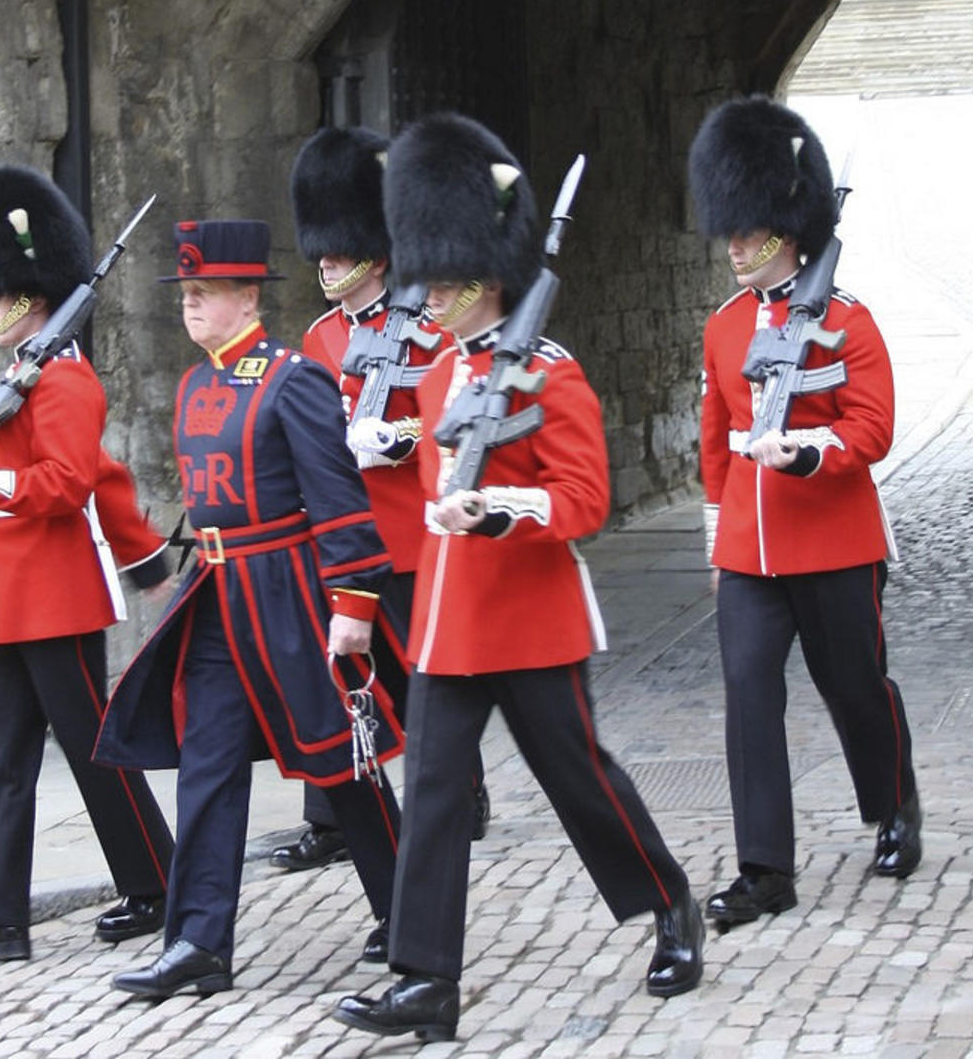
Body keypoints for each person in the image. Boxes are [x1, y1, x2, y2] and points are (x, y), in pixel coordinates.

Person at [334, 114, 703, 1043]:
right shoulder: (434, 379)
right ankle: (425, 979)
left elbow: (583, 499)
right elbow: (427, 489)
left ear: (487, 280)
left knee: (579, 779)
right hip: (453, 623)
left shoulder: (550, 374)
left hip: (533, 618)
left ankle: (670, 902)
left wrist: (502, 509)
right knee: (435, 797)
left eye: (449, 285)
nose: (436, 299)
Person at [94, 219, 403, 998]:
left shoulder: (292, 378)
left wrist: (354, 604)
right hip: (219, 600)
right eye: (185, 295)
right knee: (206, 765)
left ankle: (410, 910)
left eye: (202, 294)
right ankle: (198, 940)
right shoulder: (197, 383)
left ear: (244, 295)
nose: (189, 308)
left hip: (291, 598)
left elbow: (339, 504)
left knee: (341, 762)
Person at [0, 165, 174, 963]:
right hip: (9, 593)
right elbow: (13, 490)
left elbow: (63, 485)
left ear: (31, 297)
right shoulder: (23, 377)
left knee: (94, 745)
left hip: (55, 593)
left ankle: (158, 880)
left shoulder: (63, 382)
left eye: (0, 296)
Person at [688, 95, 922, 928]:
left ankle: (893, 806)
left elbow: (873, 423)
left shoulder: (847, 320)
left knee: (853, 685)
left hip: (834, 539)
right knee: (749, 695)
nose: (735, 247)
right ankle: (764, 869)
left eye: (748, 233)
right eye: (733, 231)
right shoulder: (723, 330)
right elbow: (716, 442)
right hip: (752, 551)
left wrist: (813, 451)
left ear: (786, 233)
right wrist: (719, 543)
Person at [271, 126, 487, 877]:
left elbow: (461, 405)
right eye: (322, 250)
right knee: (335, 680)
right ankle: (333, 815)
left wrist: (398, 436)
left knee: (425, 676)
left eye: (339, 248)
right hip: (345, 536)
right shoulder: (320, 334)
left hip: (413, 532)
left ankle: (461, 793)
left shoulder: (429, 325)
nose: (327, 261)